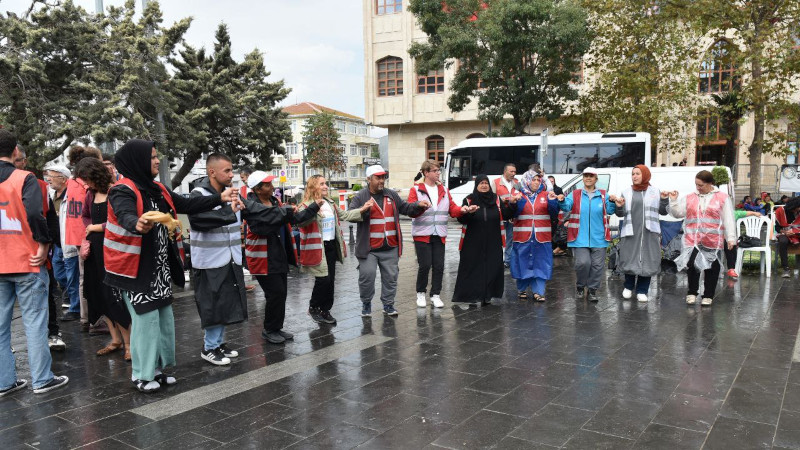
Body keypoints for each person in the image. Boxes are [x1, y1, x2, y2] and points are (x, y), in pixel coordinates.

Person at [105, 139, 235, 392]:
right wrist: (137, 224)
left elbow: (185, 205)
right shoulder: (122, 189)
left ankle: (156, 370)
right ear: (137, 160)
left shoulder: (157, 189)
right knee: (146, 321)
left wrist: (219, 198)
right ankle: (141, 376)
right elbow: (125, 214)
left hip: (159, 269)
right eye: (152, 157)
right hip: (135, 270)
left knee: (163, 320)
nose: (157, 160)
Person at [0, 129, 69, 396]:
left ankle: (5, 382)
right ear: (16, 151)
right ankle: (41, 379)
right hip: (27, 261)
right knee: (35, 323)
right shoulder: (24, 178)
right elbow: (33, 212)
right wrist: (44, 243)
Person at [188, 153, 250, 366]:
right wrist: (228, 211)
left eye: (232, 170)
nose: (232, 175)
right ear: (211, 172)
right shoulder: (198, 194)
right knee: (212, 305)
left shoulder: (229, 193)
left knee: (224, 303)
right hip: (208, 261)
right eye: (227, 171)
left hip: (229, 258)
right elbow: (198, 221)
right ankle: (209, 347)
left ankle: (218, 343)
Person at [240, 170, 317, 343]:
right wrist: (284, 214)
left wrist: (313, 207)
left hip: (279, 255)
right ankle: (269, 330)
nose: (272, 187)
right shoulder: (251, 206)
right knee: (275, 293)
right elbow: (262, 228)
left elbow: (293, 219)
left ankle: (276, 328)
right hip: (262, 259)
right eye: (267, 185)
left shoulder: (275, 201)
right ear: (257, 189)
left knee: (280, 294)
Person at [349, 165, 429, 317]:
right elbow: (349, 214)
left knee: (391, 278)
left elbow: (405, 208)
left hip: (390, 246)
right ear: (369, 179)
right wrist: (362, 210)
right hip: (369, 249)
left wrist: (418, 206)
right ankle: (366, 303)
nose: (381, 180)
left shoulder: (391, 195)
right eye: (377, 178)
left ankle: (388, 304)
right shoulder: (361, 196)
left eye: (383, 177)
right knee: (367, 276)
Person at [75, 158, 132, 360]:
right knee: (98, 294)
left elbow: (123, 221)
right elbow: (86, 216)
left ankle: (128, 344)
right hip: (95, 250)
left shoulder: (115, 191)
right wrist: (91, 230)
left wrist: (99, 227)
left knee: (113, 296)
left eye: (86, 179)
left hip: (111, 249)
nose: (85, 184)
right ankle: (115, 339)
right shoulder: (90, 194)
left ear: (95, 175)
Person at [296, 175, 372, 325]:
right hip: (317, 248)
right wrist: (314, 207)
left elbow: (344, 215)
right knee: (323, 279)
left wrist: (363, 209)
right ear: (313, 187)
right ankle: (313, 307)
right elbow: (301, 222)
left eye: (326, 184)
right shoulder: (305, 205)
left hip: (330, 246)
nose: (325, 186)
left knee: (330, 281)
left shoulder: (330, 203)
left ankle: (325, 310)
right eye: (322, 184)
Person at [15, 151, 65, 351]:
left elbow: (48, 216)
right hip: (13, 253)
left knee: (47, 294)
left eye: (18, 160)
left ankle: (53, 333)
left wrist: (48, 244)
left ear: (24, 161)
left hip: (37, 254)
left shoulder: (39, 185)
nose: (15, 164)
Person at [668, 170, 736, 306]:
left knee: (712, 266)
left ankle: (708, 295)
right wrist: (674, 201)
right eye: (696, 185)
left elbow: (728, 218)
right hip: (693, 239)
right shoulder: (690, 197)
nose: (698, 188)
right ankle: (692, 292)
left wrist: (731, 237)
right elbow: (677, 213)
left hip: (713, 239)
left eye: (701, 185)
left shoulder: (722, 197)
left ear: (710, 183)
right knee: (692, 264)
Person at [408, 160, 465, 308]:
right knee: (425, 265)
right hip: (422, 233)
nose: (438, 173)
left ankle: (435, 295)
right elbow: (410, 211)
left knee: (439, 266)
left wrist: (463, 210)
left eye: (439, 170)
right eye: (435, 171)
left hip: (439, 234)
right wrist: (418, 206)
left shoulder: (444, 190)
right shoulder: (416, 190)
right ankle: (420, 293)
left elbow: (452, 209)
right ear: (426, 173)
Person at [610, 165, 668, 302]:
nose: (634, 176)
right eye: (633, 174)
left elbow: (663, 211)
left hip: (649, 232)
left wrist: (665, 199)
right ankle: (628, 287)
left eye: (637, 173)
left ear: (645, 175)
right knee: (630, 258)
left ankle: (642, 290)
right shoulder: (626, 192)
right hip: (631, 232)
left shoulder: (655, 191)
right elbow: (620, 214)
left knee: (648, 259)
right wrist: (618, 206)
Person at [558, 167, 616, 301]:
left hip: (599, 237)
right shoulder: (575, 194)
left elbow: (611, 210)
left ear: (596, 179)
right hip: (579, 237)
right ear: (583, 179)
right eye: (585, 176)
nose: (588, 178)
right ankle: (580, 286)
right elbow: (567, 206)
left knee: (597, 266)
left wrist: (612, 201)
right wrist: (561, 200)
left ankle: (592, 290)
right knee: (583, 263)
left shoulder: (603, 194)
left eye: (591, 176)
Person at [453, 174, 512, 305]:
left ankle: (487, 296)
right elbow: (461, 219)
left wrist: (513, 205)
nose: (484, 185)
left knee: (492, 267)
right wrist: (469, 212)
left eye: (486, 183)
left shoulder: (496, 199)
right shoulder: (469, 199)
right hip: (472, 240)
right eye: (481, 183)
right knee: (473, 268)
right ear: (477, 185)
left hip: (493, 240)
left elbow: (506, 214)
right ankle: (472, 296)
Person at [66, 146, 102, 332]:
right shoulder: (84, 184)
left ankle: (86, 319)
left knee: (83, 278)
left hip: (76, 234)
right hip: (86, 234)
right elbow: (88, 212)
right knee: (89, 278)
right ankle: (91, 319)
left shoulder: (71, 182)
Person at [510, 171, 559, 301]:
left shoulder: (547, 195)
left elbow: (554, 214)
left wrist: (553, 202)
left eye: (538, 180)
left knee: (541, 262)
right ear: (526, 181)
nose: (536, 182)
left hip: (542, 237)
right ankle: (522, 289)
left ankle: (539, 292)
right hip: (522, 237)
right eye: (533, 180)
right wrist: (515, 202)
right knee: (522, 261)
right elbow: (513, 213)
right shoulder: (518, 195)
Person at [45, 165, 82, 322]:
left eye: (52, 177)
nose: (49, 180)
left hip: (69, 240)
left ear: (63, 179)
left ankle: (75, 307)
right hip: (58, 242)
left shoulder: (71, 194)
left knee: (72, 275)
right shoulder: (51, 194)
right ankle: (75, 298)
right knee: (60, 274)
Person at [493, 163, 520, 267]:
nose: (514, 173)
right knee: (498, 239)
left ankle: (508, 261)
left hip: (512, 216)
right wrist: (501, 200)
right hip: (500, 216)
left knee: (510, 239)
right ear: (505, 172)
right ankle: (498, 259)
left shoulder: (517, 183)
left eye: (515, 171)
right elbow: (491, 199)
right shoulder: (495, 182)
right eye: (511, 171)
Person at [775, 197, 800, 278]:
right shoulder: (780, 211)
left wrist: (795, 231)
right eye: (797, 208)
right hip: (785, 234)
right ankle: (786, 268)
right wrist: (785, 232)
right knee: (783, 241)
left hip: (798, 233)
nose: (798, 210)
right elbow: (777, 228)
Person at [548, 175, 567, 256]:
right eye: (549, 181)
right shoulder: (544, 190)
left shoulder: (558, 189)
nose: (551, 183)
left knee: (557, 232)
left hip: (556, 214)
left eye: (552, 181)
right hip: (548, 214)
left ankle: (555, 248)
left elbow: (562, 201)